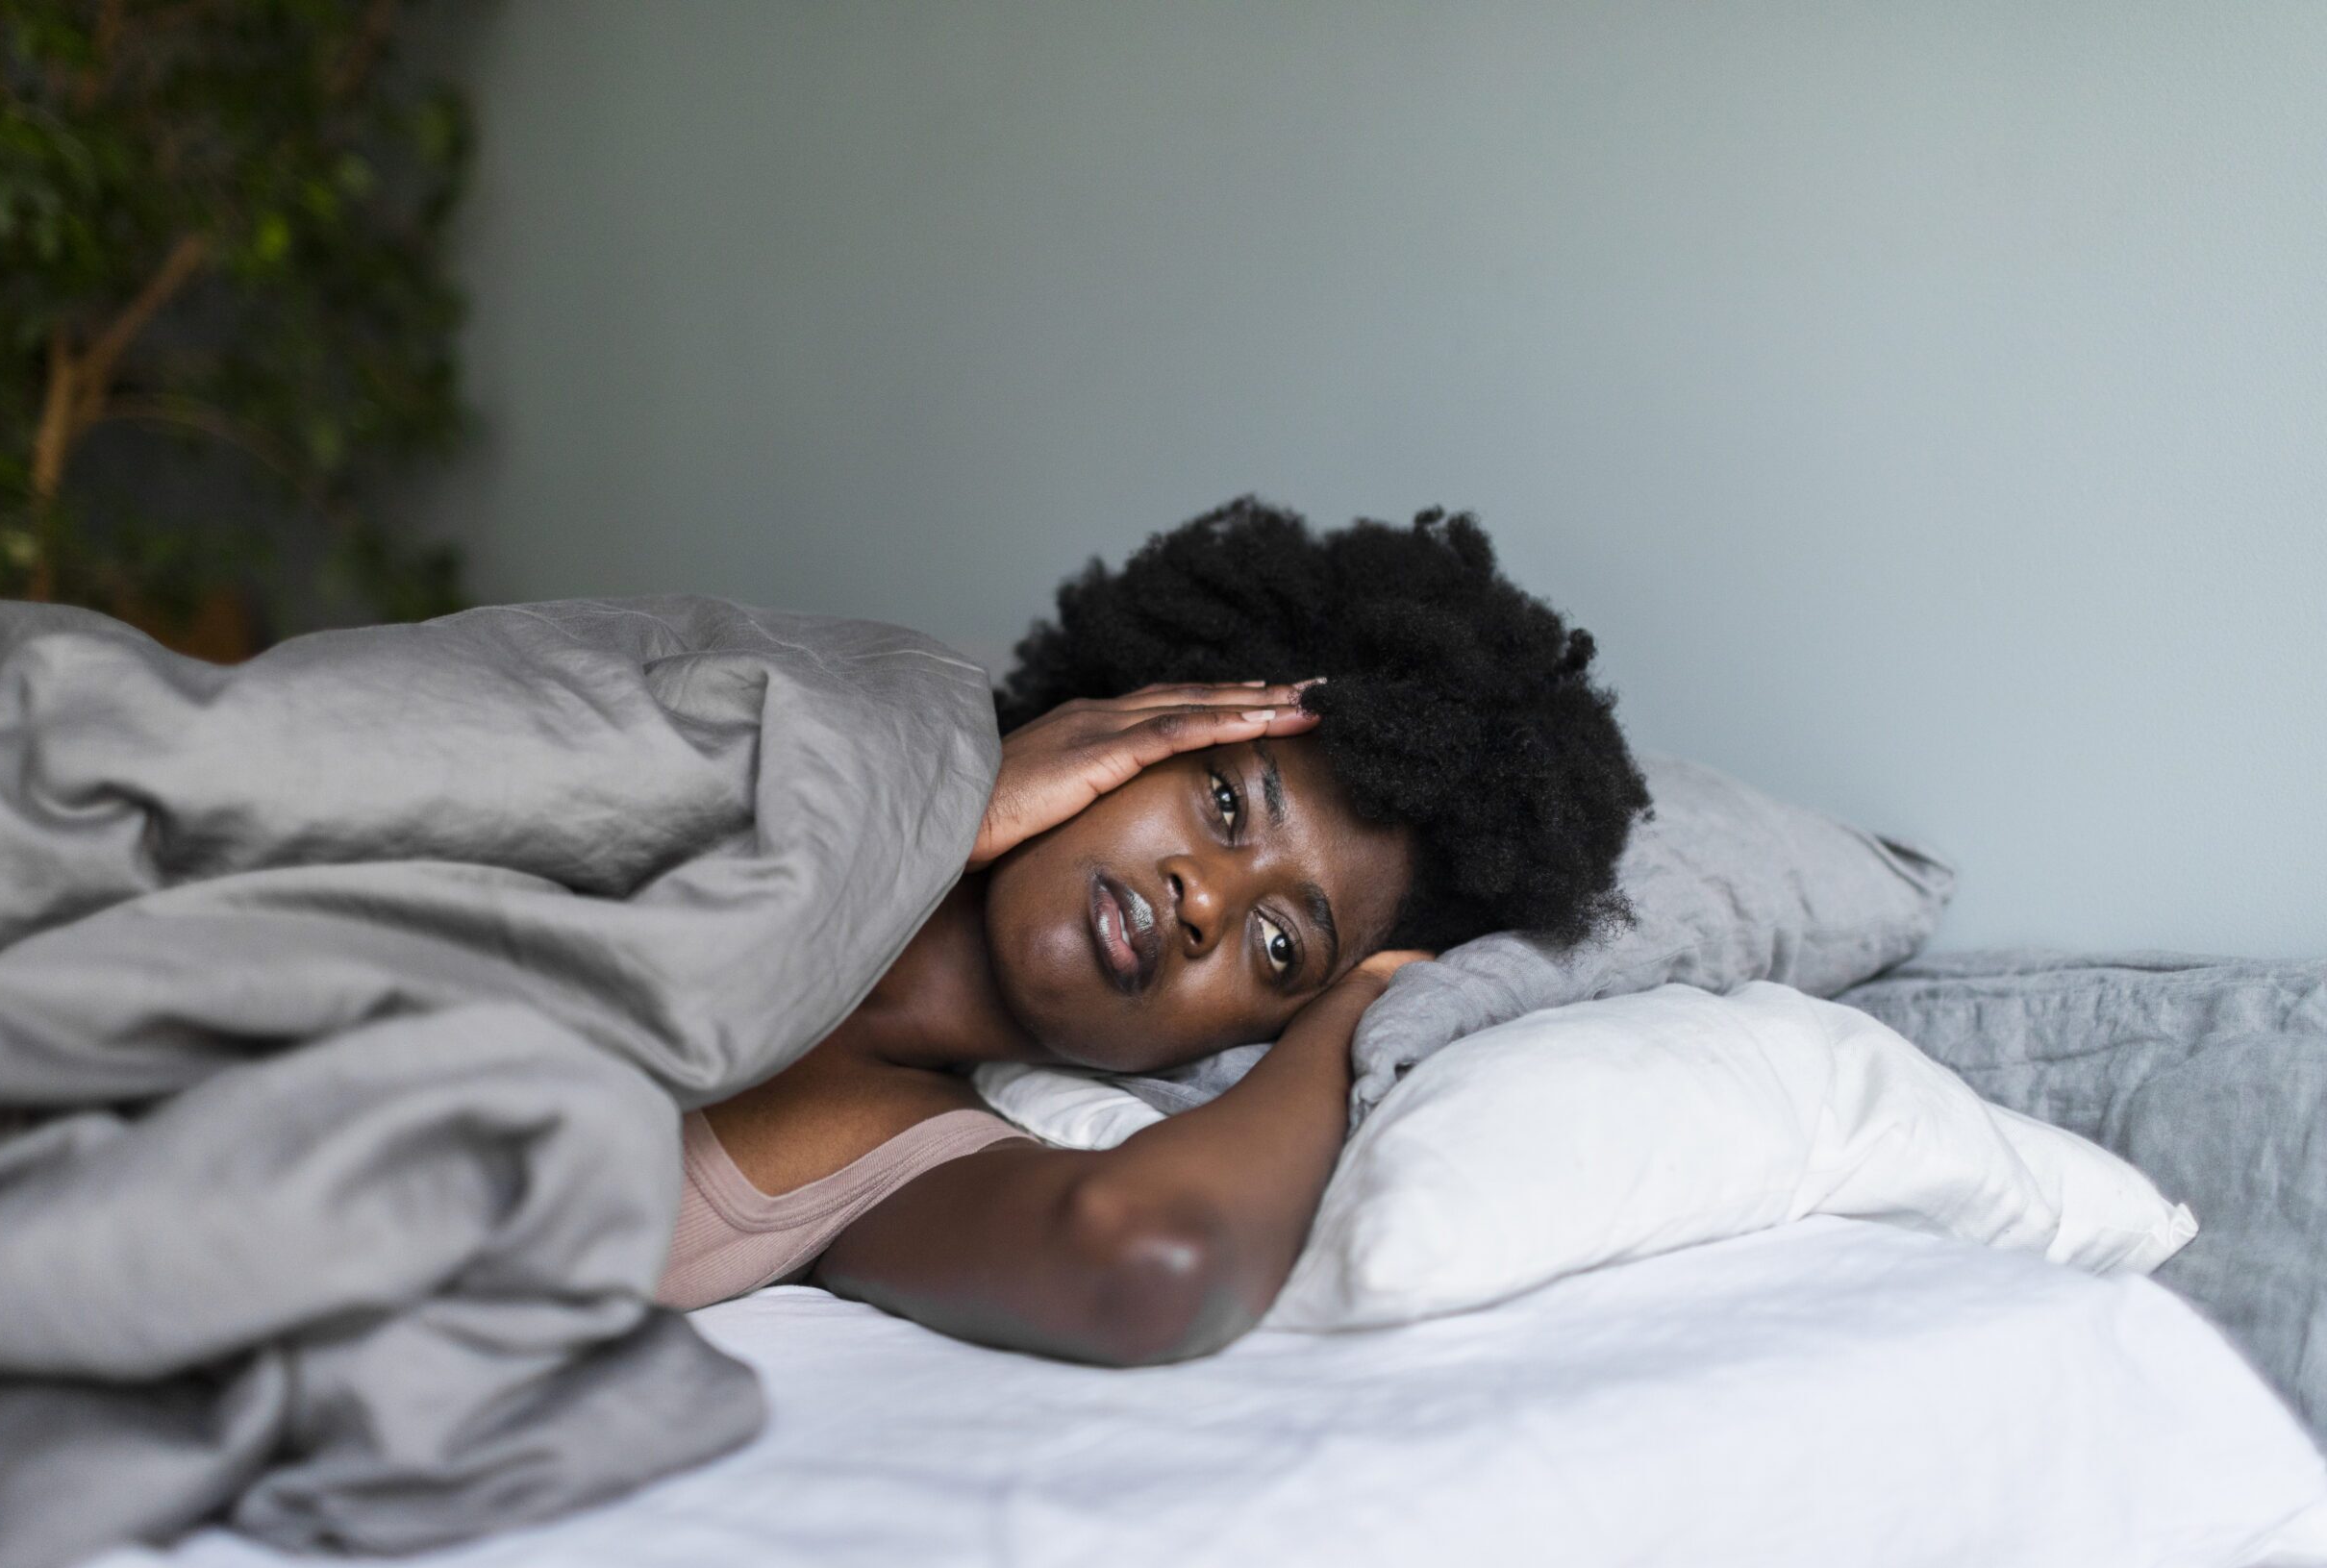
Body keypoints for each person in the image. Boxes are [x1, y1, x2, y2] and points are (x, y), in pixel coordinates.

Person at [664, 497, 1652, 1366]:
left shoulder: (900, 1165)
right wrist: (946, 809)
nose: (1204, 903)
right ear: (1122, 721)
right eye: (1224, 803)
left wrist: (1359, 1005)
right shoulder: (743, 759)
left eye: (1279, 948)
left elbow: (1147, 1262)